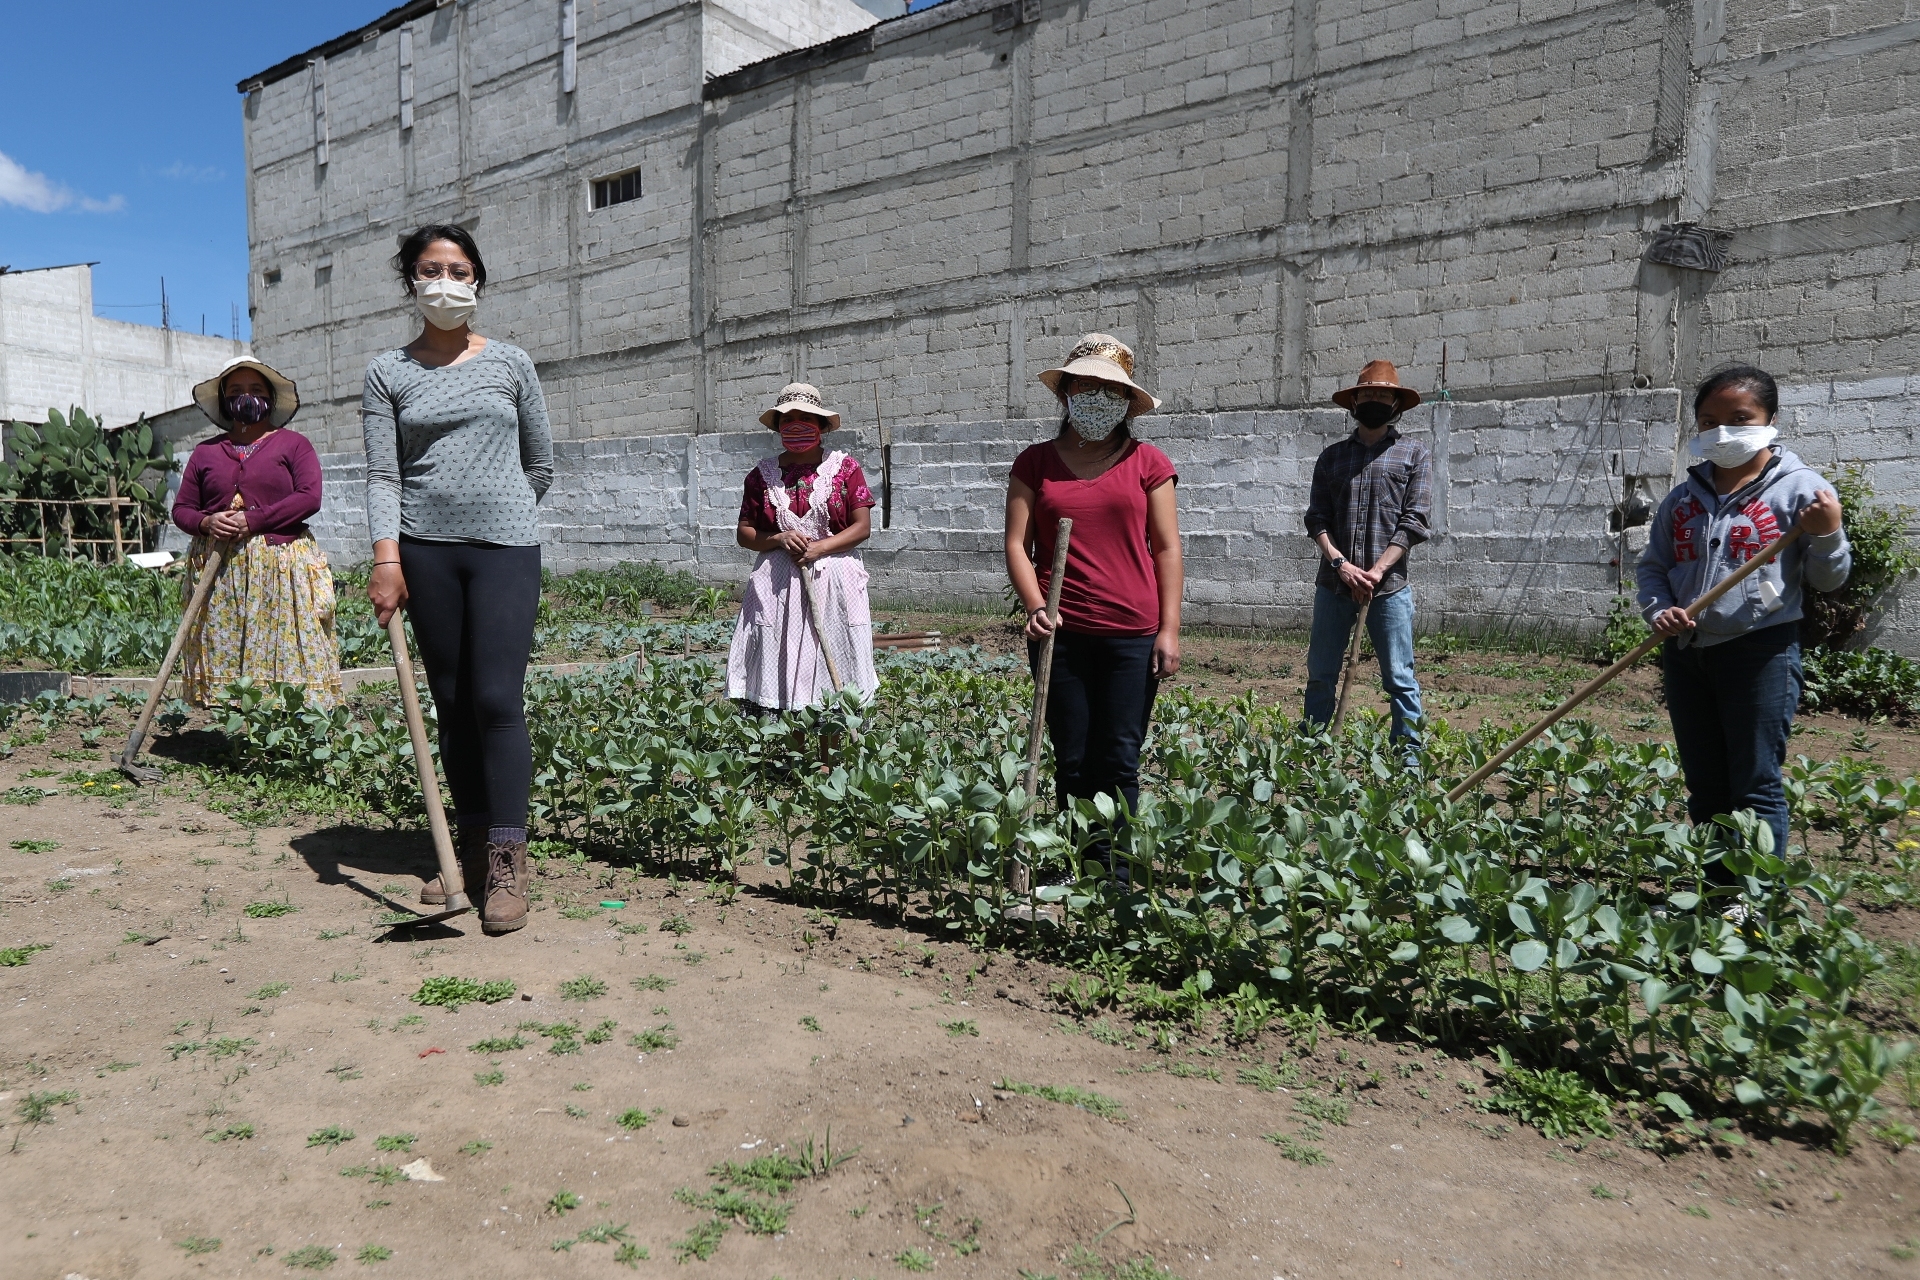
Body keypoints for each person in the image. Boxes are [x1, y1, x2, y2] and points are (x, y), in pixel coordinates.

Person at [362, 224, 554, 935]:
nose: (445, 280)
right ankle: (467, 849)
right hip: (423, 552)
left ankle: (507, 859)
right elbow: (384, 474)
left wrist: (499, 510)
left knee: (497, 696)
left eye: (459, 269)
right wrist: (388, 558)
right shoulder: (388, 372)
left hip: (506, 548)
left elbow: (541, 463)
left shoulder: (511, 363)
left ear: (477, 280)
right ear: (412, 281)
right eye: (430, 269)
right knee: (449, 700)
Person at [1637, 364, 1848, 863]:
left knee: (1754, 785)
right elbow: (1654, 568)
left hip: (1760, 653)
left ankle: (1754, 900)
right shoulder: (1682, 499)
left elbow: (1829, 580)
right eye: (1708, 421)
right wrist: (1660, 611)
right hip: (1687, 654)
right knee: (1706, 784)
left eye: (1739, 417)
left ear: (1769, 418)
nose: (1723, 431)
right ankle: (1716, 888)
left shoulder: (1801, 492)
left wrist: (1827, 532)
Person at [1005, 334, 1182, 877]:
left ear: (1127, 401)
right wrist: (1035, 606)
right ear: (1067, 393)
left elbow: (1168, 547)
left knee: (1119, 759)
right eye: (1087, 385)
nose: (1097, 396)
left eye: (1110, 389)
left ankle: (1117, 871)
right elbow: (1017, 543)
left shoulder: (1148, 462)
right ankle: (1076, 862)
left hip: (1132, 633)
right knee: (1073, 758)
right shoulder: (1035, 463)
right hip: (1061, 633)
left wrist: (1168, 630)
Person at [173, 356, 342, 709]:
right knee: (228, 644)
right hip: (220, 575)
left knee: (283, 642)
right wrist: (207, 522)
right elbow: (182, 510)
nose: (245, 397)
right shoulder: (205, 453)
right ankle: (238, 731)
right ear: (223, 401)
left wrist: (256, 520)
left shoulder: (294, 445)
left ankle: (290, 727)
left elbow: (309, 497)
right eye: (235, 391)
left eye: (255, 389)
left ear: (269, 398)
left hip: (279, 568)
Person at [1302, 359, 1433, 749]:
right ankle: (1313, 750)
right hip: (1334, 586)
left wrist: (1376, 571)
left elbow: (1415, 521)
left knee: (1399, 676)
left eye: (1382, 395)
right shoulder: (1332, 458)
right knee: (1321, 674)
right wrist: (1341, 565)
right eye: (1367, 394)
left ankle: (1407, 761)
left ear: (1396, 404)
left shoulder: (1414, 455)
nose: (1374, 400)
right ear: (1353, 402)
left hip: (1388, 588)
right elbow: (1316, 518)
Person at [726, 383, 880, 711]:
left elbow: (862, 527)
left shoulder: (846, 469)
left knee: (835, 662)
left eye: (806, 418)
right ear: (778, 427)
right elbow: (745, 533)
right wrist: (778, 539)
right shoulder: (760, 477)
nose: (796, 425)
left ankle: (830, 758)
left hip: (835, 582)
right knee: (781, 664)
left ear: (822, 426)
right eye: (787, 419)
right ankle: (793, 754)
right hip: (778, 585)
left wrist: (820, 548)